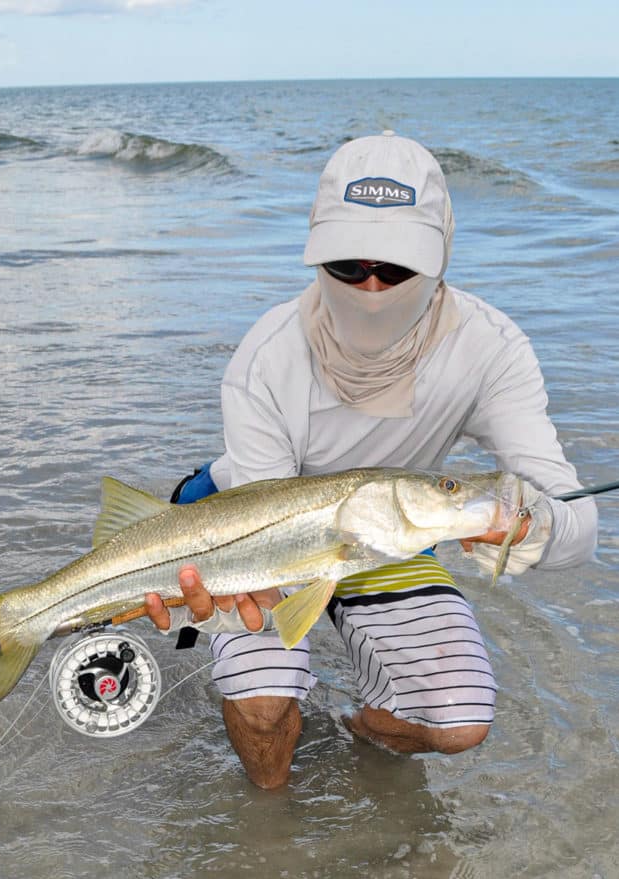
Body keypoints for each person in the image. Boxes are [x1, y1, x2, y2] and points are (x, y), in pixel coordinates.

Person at [144, 132, 598, 790]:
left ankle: (361, 727)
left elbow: (578, 527)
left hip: (392, 533)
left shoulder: (490, 349)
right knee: (265, 705)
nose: (372, 285)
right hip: (245, 531)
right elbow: (262, 523)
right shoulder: (267, 354)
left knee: (459, 725)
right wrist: (205, 591)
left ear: (440, 256)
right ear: (315, 253)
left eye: (395, 265)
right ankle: (266, 827)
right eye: (348, 265)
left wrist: (530, 523)